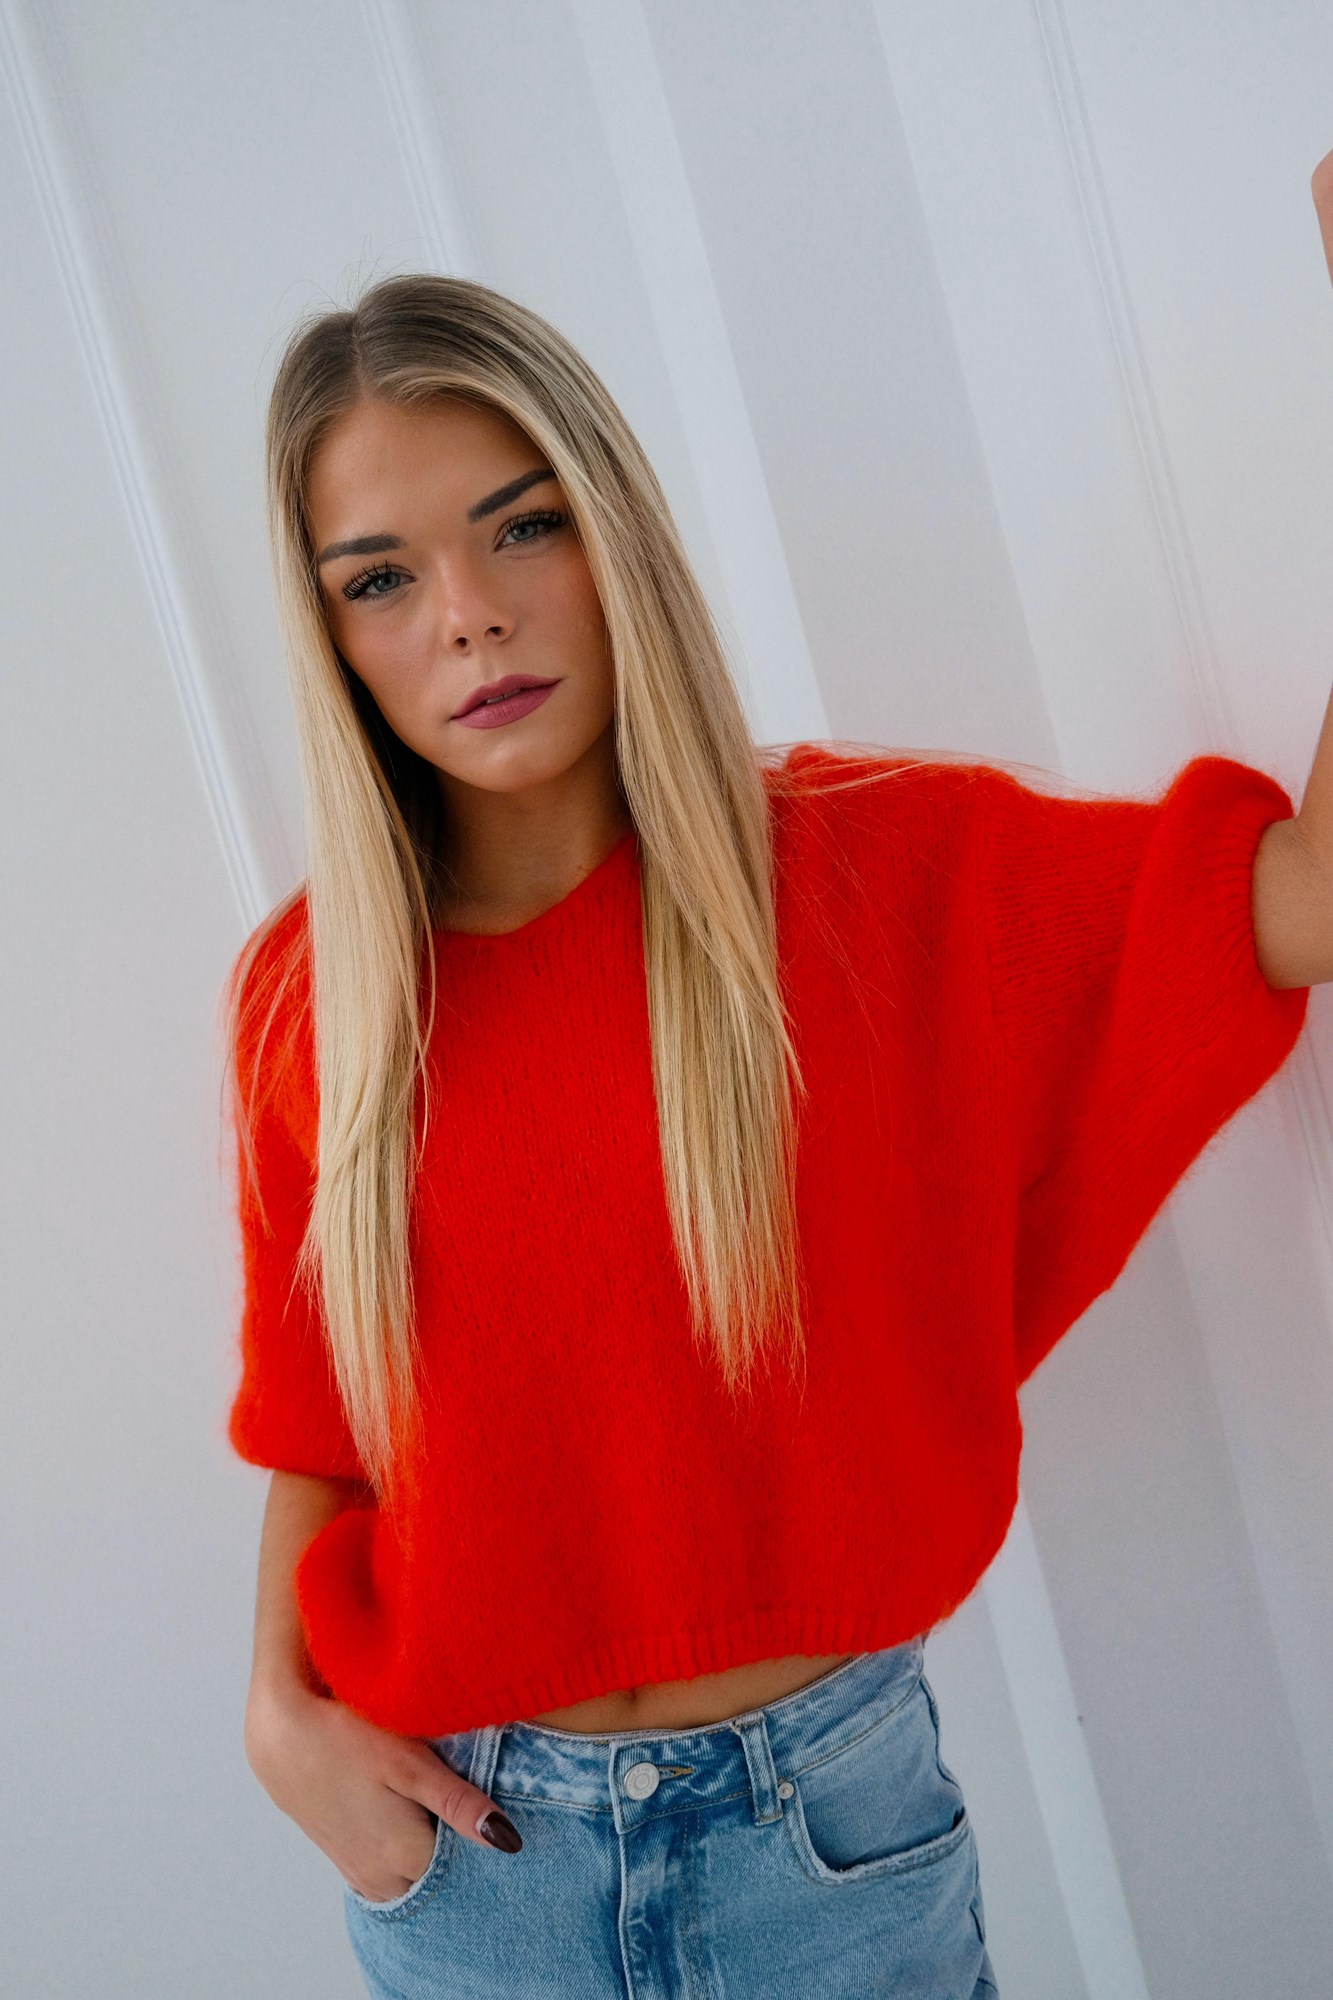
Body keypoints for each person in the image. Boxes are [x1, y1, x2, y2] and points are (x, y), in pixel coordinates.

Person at [220, 272, 1320, 1998]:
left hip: (824, 1842)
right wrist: (275, 1717)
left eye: (522, 527)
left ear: (615, 530)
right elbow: (323, 1425)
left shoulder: (884, 872)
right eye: (381, 578)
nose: (470, 620)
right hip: (467, 1869)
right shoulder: (313, 995)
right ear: (331, 636)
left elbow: (1304, 898)